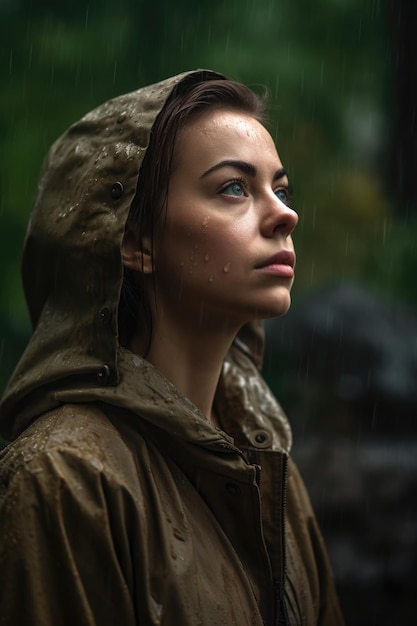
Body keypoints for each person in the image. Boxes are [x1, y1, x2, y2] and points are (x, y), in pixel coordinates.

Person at [0, 69, 344, 625]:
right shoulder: (63, 480)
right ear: (135, 240)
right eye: (234, 187)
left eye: (279, 189)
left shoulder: (272, 475)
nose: (285, 214)